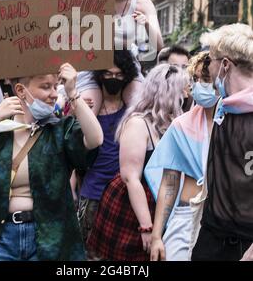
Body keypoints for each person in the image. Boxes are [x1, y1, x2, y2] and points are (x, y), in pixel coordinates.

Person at [0, 63, 103, 261]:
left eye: (55, 86)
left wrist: (73, 92)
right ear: (21, 91)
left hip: (48, 237)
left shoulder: (58, 130)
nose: (53, 94)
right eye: (45, 86)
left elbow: (95, 140)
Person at [87, 64, 189, 261]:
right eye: (183, 88)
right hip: (132, 207)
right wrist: (146, 227)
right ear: (168, 91)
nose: (186, 93)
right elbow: (130, 178)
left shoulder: (175, 121)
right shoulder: (137, 123)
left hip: (159, 203)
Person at [68, 0, 164, 115]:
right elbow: (78, 31)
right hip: (94, 64)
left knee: (142, 108)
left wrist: (146, 23)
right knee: (86, 109)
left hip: (126, 66)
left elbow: (159, 46)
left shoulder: (142, 3)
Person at [146, 52, 217, 261]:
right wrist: (157, 235)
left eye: (206, 79)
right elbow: (170, 182)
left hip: (222, 220)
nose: (199, 85)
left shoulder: (237, 125)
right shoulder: (181, 126)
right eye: (195, 79)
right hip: (185, 217)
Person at [191, 23, 253, 261]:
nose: (208, 67)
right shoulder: (223, 107)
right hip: (212, 241)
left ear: (225, 64)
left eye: (211, 59)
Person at [77, 50, 138, 254]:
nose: (113, 79)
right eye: (108, 74)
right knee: (89, 254)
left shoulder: (132, 113)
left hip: (123, 196)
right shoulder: (89, 110)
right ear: (99, 75)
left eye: (119, 75)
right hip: (92, 194)